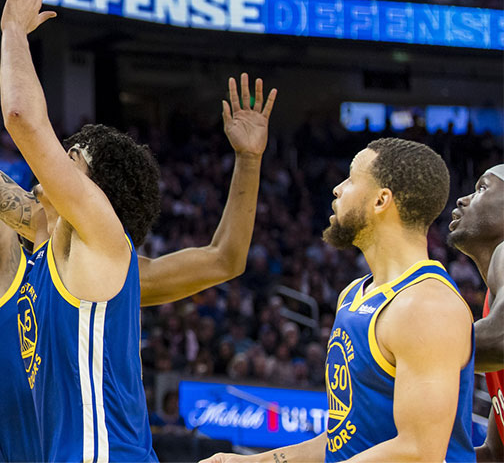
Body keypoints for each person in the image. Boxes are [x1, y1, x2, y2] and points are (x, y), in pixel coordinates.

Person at [0, 0, 275, 459]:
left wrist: (12, 29)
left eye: (73, 154)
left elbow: (23, 117)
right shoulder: (51, 241)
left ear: (97, 189)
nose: (59, 158)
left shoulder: (101, 239)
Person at [204, 138, 476, 462]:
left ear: (381, 200)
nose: (337, 189)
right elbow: (342, 440)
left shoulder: (426, 308)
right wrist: (252, 462)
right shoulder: (354, 294)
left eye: (350, 178)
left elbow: (417, 452)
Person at [448, 164, 504, 461]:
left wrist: (390, 357)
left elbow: (501, 339)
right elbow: (495, 454)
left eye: (482, 188)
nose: (462, 199)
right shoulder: (491, 310)